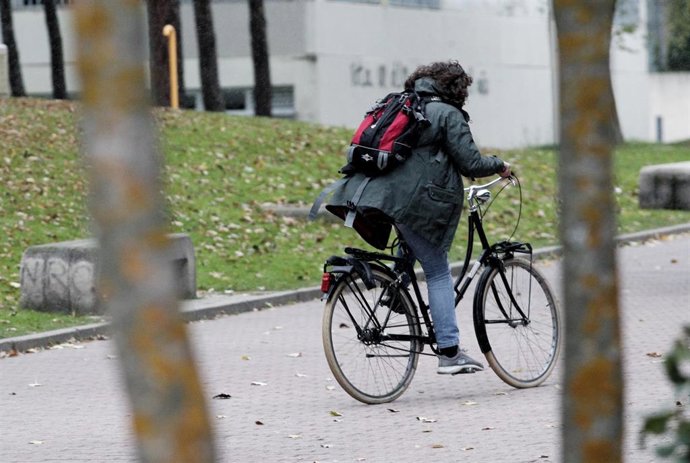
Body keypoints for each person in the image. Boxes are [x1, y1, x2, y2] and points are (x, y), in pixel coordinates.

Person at [326, 60, 511, 374]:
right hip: (416, 203)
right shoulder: (447, 113)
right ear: (457, 89)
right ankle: (450, 353)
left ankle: (395, 294)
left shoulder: (403, 104)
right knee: (438, 272)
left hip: (382, 198)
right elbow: (471, 163)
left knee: (410, 250)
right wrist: (499, 165)